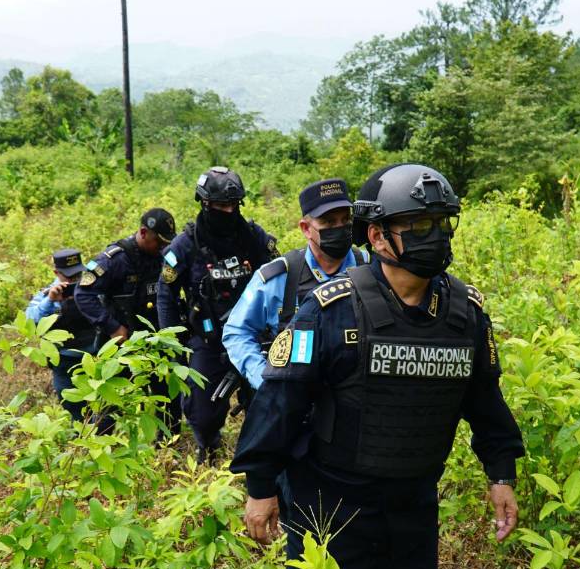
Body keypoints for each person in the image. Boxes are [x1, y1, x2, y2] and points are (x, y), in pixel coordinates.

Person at [230, 163, 525, 569]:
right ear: (377, 236)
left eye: (443, 223)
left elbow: (485, 401)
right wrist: (260, 487)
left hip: (412, 505)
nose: (435, 236)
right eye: (418, 225)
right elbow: (280, 401)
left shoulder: (464, 313)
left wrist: (501, 473)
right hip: (331, 504)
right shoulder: (330, 310)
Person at [156, 166, 278, 462]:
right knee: (202, 412)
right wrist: (172, 344)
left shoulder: (253, 237)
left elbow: (279, 281)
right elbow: (166, 295)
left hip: (253, 336)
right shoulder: (186, 245)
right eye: (221, 205)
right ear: (204, 203)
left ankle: (259, 456)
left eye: (233, 205)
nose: (228, 211)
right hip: (208, 337)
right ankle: (208, 444)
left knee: (268, 400)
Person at [224, 178, 370, 391]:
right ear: (306, 228)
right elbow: (237, 332)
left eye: (345, 219)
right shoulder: (279, 277)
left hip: (356, 395)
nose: (340, 228)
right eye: (329, 222)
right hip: (297, 395)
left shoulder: (368, 267)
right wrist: (265, 381)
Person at [74, 208, 181, 429]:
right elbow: (83, 294)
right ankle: (102, 441)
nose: (163, 247)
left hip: (157, 339)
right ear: (143, 232)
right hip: (121, 341)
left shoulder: (165, 256)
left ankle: (169, 442)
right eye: (158, 242)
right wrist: (112, 327)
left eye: (166, 243)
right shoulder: (114, 259)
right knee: (111, 399)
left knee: (167, 397)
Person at [25, 249, 98, 419]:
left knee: (103, 409)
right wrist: (50, 301)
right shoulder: (47, 294)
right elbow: (30, 319)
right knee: (74, 409)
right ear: (56, 273)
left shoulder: (91, 287)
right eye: (69, 276)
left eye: (77, 274)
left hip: (95, 357)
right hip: (64, 362)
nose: (74, 280)